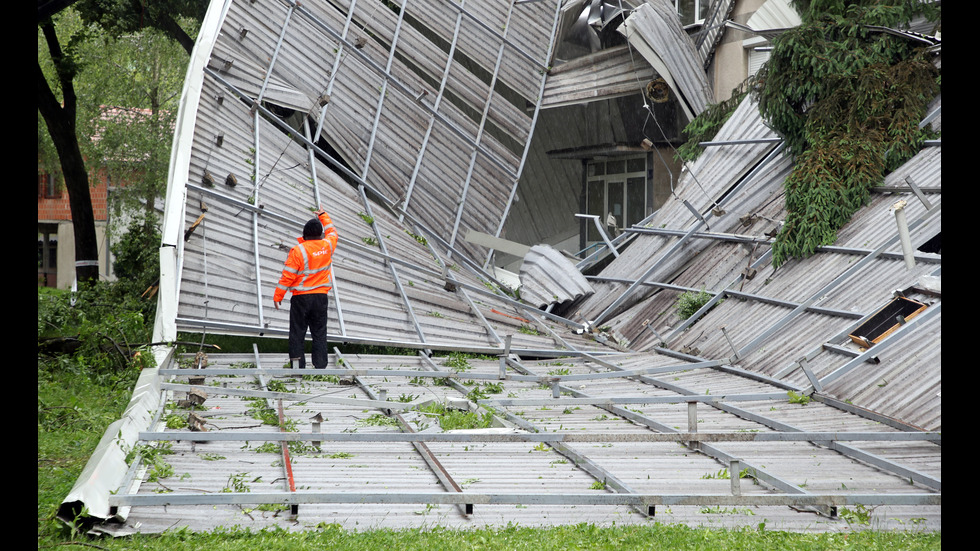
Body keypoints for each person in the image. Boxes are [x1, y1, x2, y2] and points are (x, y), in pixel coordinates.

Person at [274, 206, 339, 369]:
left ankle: (298, 368)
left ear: (304, 234)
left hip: (301, 298)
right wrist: (324, 216)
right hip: (320, 297)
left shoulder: (298, 251)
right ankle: (320, 366)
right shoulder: (328, 245)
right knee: (319, 333)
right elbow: (333, 233)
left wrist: (278, 296)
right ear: (320, 233)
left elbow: (288, 276)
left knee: (297, 333)